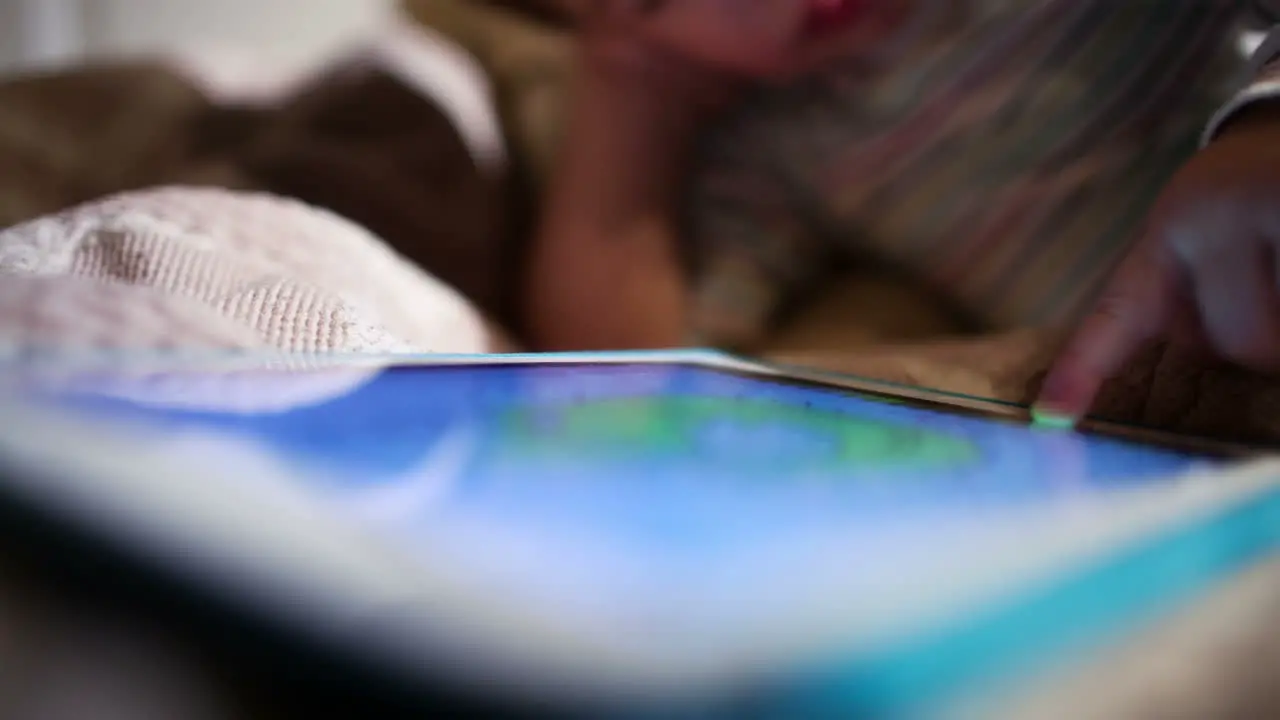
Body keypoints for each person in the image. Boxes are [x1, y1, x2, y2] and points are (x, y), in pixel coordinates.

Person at [527, 0, 1280, 424]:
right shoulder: (774, 143)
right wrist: (624, 89)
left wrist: (1264, 120)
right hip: (1189, 413)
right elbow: (630, 385)